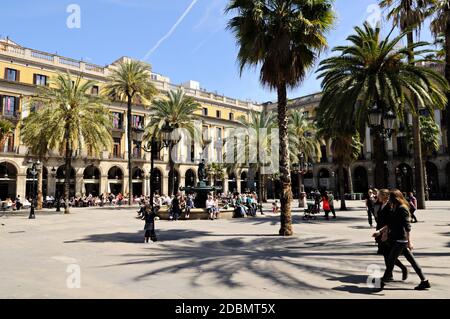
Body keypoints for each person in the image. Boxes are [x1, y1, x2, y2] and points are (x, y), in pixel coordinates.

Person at [373, 189, 430, 290]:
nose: (388, 199)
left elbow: (407, 227)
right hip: (397, 238)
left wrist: (409, 241)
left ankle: (382, 282)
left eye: (390, 197)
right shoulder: (395, 207)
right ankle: (424, 281)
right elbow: (390, 224)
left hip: (401, 240)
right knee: (412, 261)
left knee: (390, 260)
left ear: (395, 198)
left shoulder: (402, 208)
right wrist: (380, 232)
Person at [373, 189, 408, 282]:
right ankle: (390, 274)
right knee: (386, 255)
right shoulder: (381, 204)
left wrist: (385, 233)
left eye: (379, 195)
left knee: (389, 255)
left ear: (384, 195)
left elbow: (390, 221)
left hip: (387, 233)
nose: (377, 196)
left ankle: (398, 270)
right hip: (380, 231)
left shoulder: (389, 205)